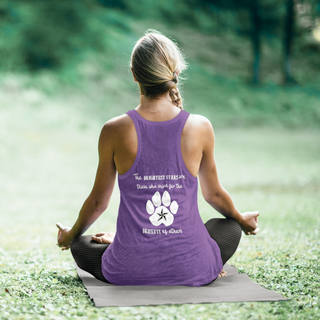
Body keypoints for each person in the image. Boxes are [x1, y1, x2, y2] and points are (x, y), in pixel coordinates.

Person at [56, 29, 260, 287]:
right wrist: (241, 219)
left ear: (134, 75)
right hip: (193, 267)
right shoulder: (200, 127)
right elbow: (214, 196)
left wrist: (69, 235)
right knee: (228, 226)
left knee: (82, 244)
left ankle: (127, 242)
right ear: (175, 74)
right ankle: (195, 259)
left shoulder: (113, 130)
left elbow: (98, 202)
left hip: (128, 269)